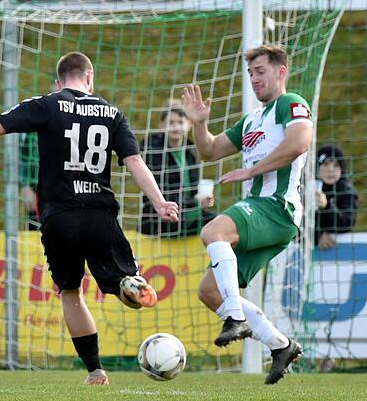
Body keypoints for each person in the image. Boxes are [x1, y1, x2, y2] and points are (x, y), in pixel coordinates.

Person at [0, 51, 180, 385]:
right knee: (119, 277)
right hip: (100, 215)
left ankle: (95, 371)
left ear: (59, 81)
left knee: (71, 292)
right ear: (90, 77)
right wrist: (158, 202)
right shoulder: (112, 113)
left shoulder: (46, 105)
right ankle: (125, 281)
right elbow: (134, 162)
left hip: (59, 219)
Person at [182, 44, 312, 384]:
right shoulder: (252, 119)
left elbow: (299, 142)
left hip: (277, 207)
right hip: (262, 213)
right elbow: (209, 150)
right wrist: (199, 124)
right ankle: (281, 345)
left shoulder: (290, 102)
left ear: (280, 72)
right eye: (251, 73)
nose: (254, 79)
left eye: (261, 71)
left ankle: (236, 317)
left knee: (213, 232)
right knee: (210, 292)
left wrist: (251, 172)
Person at [139, 105, 216, 236]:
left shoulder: (191, 149)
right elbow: (162, 192)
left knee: (219, 222)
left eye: (180, 122)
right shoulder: (152, 150)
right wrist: (196, 202)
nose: (175, 126)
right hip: (159, 216)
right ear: (162, 125)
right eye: (171, 122)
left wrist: (204, 199)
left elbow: (193, 190)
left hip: (187, 212)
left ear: (189, 124)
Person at [315, 144, 358, 250]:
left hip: (339, 251)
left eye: (336, 165)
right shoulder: (306, 188)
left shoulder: (347, 191)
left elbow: (347, 223)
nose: (330, 170)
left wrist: (326, 206)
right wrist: (318, 235)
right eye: (325, 164)